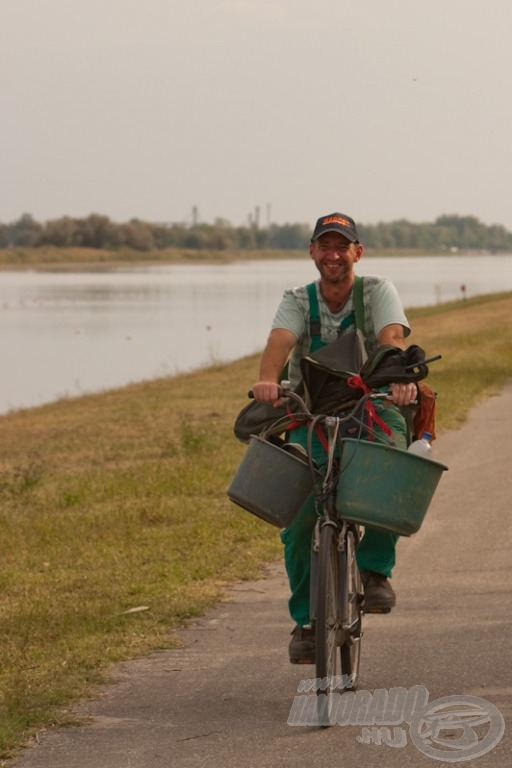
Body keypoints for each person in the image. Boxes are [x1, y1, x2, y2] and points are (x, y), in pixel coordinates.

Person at [250, 212, 418, 664]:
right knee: (300, 513)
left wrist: (399, 375)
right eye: (324, 246)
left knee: (388, 474)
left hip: (375, 407)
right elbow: (279, 340)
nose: (333, 255)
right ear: (312, 252)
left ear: (356, 253)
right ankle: (306, 622)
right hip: (313, 414)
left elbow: (392, 337)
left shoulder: (377, 291)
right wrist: (268, 381)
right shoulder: (298, 299)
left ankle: (376, 571)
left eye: (341, 247)